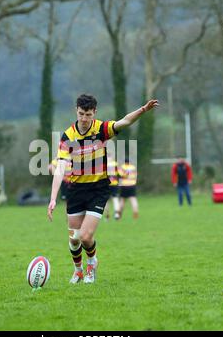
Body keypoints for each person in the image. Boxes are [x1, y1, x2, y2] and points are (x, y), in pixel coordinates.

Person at [47, 94, 159, 284]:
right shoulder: (67, 137)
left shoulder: (101, 128)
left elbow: (124, 122)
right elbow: (59, 169)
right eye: (81, 114)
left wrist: (143, 110)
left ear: (94, 113)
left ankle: (92, 263)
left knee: (85, 236)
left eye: (88, 114)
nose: (84, 119)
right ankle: (78, 270)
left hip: (98, 189)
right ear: (76, 110)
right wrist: (53, 198)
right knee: (74, 239)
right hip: (76, 190)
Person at [103, 154, 121, 221]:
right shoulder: (115, 164)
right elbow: (121, 174)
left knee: (106, 201)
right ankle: (117, 214)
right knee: (115, 199)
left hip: (106, 185)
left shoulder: (104, 165)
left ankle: (107, 216)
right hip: (114, 184)